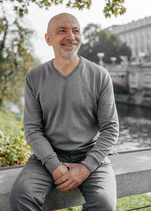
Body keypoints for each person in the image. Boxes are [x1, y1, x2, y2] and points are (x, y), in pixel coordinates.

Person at [9, 13, 119, 211]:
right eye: (62, 31)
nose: (71, 36)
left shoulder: (100, 75)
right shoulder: (34, 77)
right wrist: (54, 165)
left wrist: (86, 167)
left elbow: (111, 129)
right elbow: (33, 129)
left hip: (91, 154)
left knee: (104, 203)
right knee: (21, 195)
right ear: (48, 39)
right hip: (48, 156)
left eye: (76, 30)